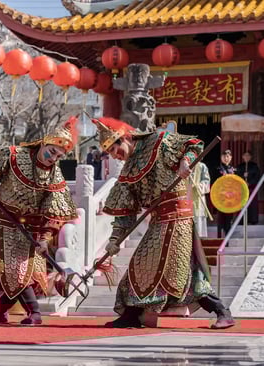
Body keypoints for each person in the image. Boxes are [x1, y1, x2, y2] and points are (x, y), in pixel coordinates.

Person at [92, 116, 235, 330]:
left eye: (116, 148)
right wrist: (114, 240)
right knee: (139, 265)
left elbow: (192, 145)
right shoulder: (128, 170)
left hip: (179, 217)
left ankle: (222, 311)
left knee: (183, 271)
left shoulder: (158, 140)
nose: (116, 155)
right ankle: (132, 315)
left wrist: (185, 162)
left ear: (126, 138)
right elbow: (125, 210)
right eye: (110, 153)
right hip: (158, 220)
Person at [0, 116, 79, 325]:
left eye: (58, 156)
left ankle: (5, 311)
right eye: (52, 152)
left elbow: (56, 209)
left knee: (27, 272)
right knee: (13, 270)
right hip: (5, 221)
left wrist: (45, 236)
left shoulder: (55, 175)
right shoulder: (16, 155)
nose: (53, 158)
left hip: (32, 226)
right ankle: (35, 313)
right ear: (44, 143)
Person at [211, 149, 236, 238]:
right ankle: (219, 238)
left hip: (230, 198)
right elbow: (213, 183)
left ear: (231, 158)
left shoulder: (233, 170)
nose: (226, 158)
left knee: (229, 219)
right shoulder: (217, 169)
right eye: (224, 156)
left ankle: (227, 239)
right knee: (220, 219)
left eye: (228, 156)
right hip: (220, 197)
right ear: (221, 157)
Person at [236, 151, 261, 225]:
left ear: (250, 157)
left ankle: (253, 220)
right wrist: (243, 177)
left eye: (248, 155)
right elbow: (237, 176)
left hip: (252, 187)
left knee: (252, 204)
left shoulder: (254, 166)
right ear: (242, 157)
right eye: (245, 155)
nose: (246, 157)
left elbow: (257, 176)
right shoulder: (239, 166)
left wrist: (249, 182)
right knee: (242, 203)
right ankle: (241, 220)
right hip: (242, 187)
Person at [190, 162, 211, 238]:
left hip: (198, 198)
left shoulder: (202, 166)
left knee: (198, 221)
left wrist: (199, 186)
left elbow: (206, 181)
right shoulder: (183, 165)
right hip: (186, 197)